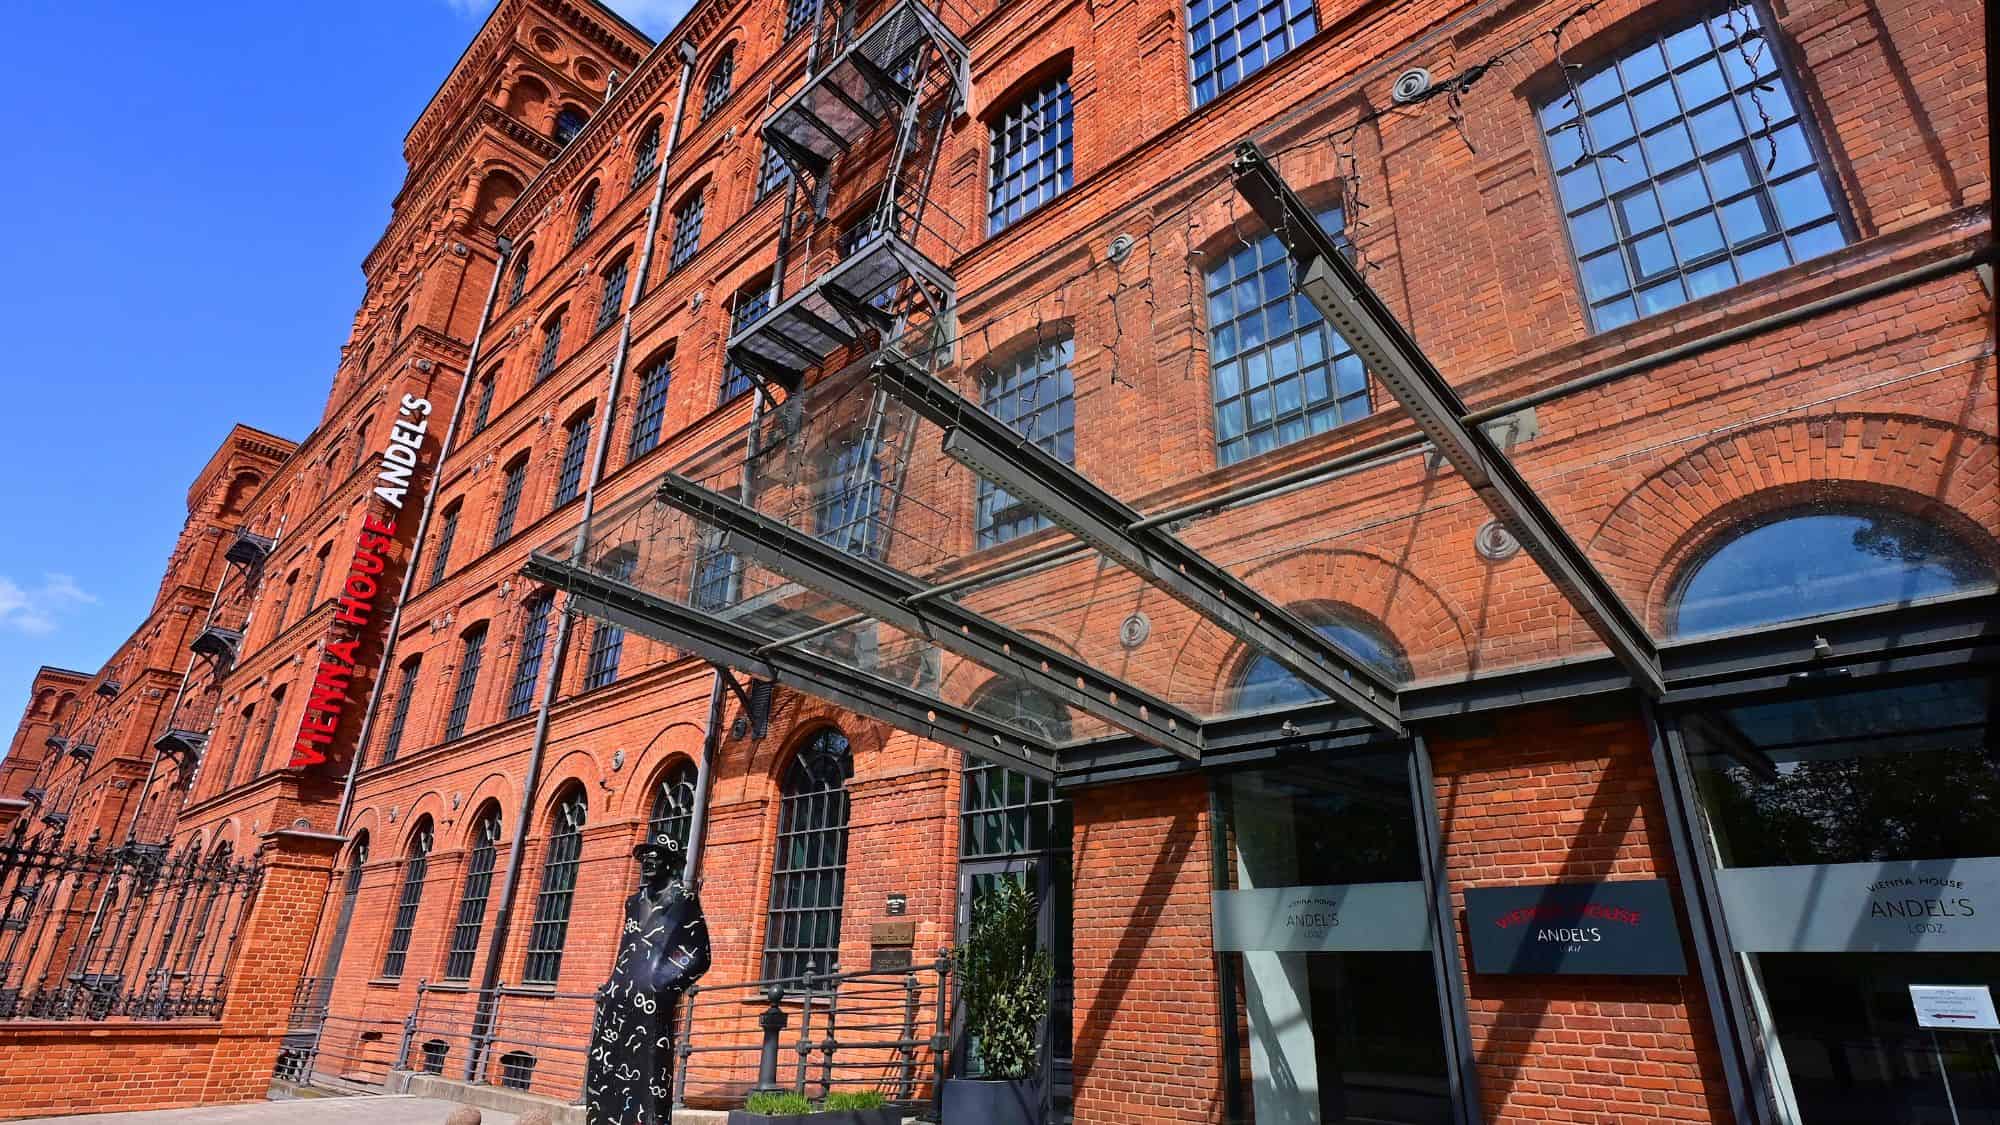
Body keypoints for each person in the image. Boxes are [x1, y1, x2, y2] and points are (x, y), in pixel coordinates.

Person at [584, 834, 710, 1125]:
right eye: (645, 856)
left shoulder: (683, 900)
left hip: (652, 1002)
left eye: (657, 855)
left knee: (650, 1069)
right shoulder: (633, 903)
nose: (648, 861)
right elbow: (626, 949)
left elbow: (699, 954)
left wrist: (663, 984)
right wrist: (613, 983)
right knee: (606, 1066)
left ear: (671, 862)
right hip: (618, 997)